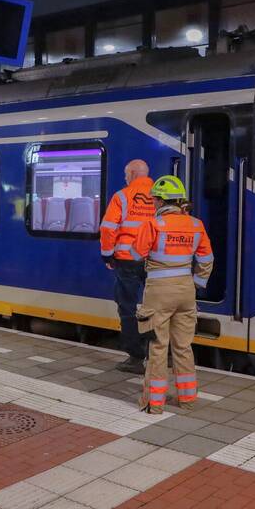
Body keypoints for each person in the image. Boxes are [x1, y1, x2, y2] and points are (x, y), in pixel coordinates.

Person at [134, 175, 214, 414]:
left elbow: (137, 253)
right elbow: (207, 259)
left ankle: (154, 403)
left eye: (154, 200)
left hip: (159, 291)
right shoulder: (196, 225)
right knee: (183, 346)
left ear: (161, 201)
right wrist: (197, 282)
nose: (153, 204)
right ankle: (187, 399)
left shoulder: (154, 224)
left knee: (158, 347)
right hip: (186, 291)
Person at [99, 159, 156, 374]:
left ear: (132, 173)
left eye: (126, 175)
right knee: (157, 307)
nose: (125, 178)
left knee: (128, 307)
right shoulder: (160, 196)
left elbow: (108, 228)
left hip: (127, 260)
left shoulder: (122, 196)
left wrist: (107, 255)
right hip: (155, 260)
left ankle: (136, 356)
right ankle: (160, 353)